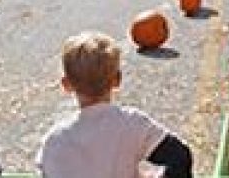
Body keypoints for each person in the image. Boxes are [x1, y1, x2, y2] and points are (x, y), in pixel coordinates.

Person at [37, 32, 193, 177]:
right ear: (117, 79)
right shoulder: (132, 123)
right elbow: (180, 157)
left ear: (66, 84)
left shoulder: (54, 141)